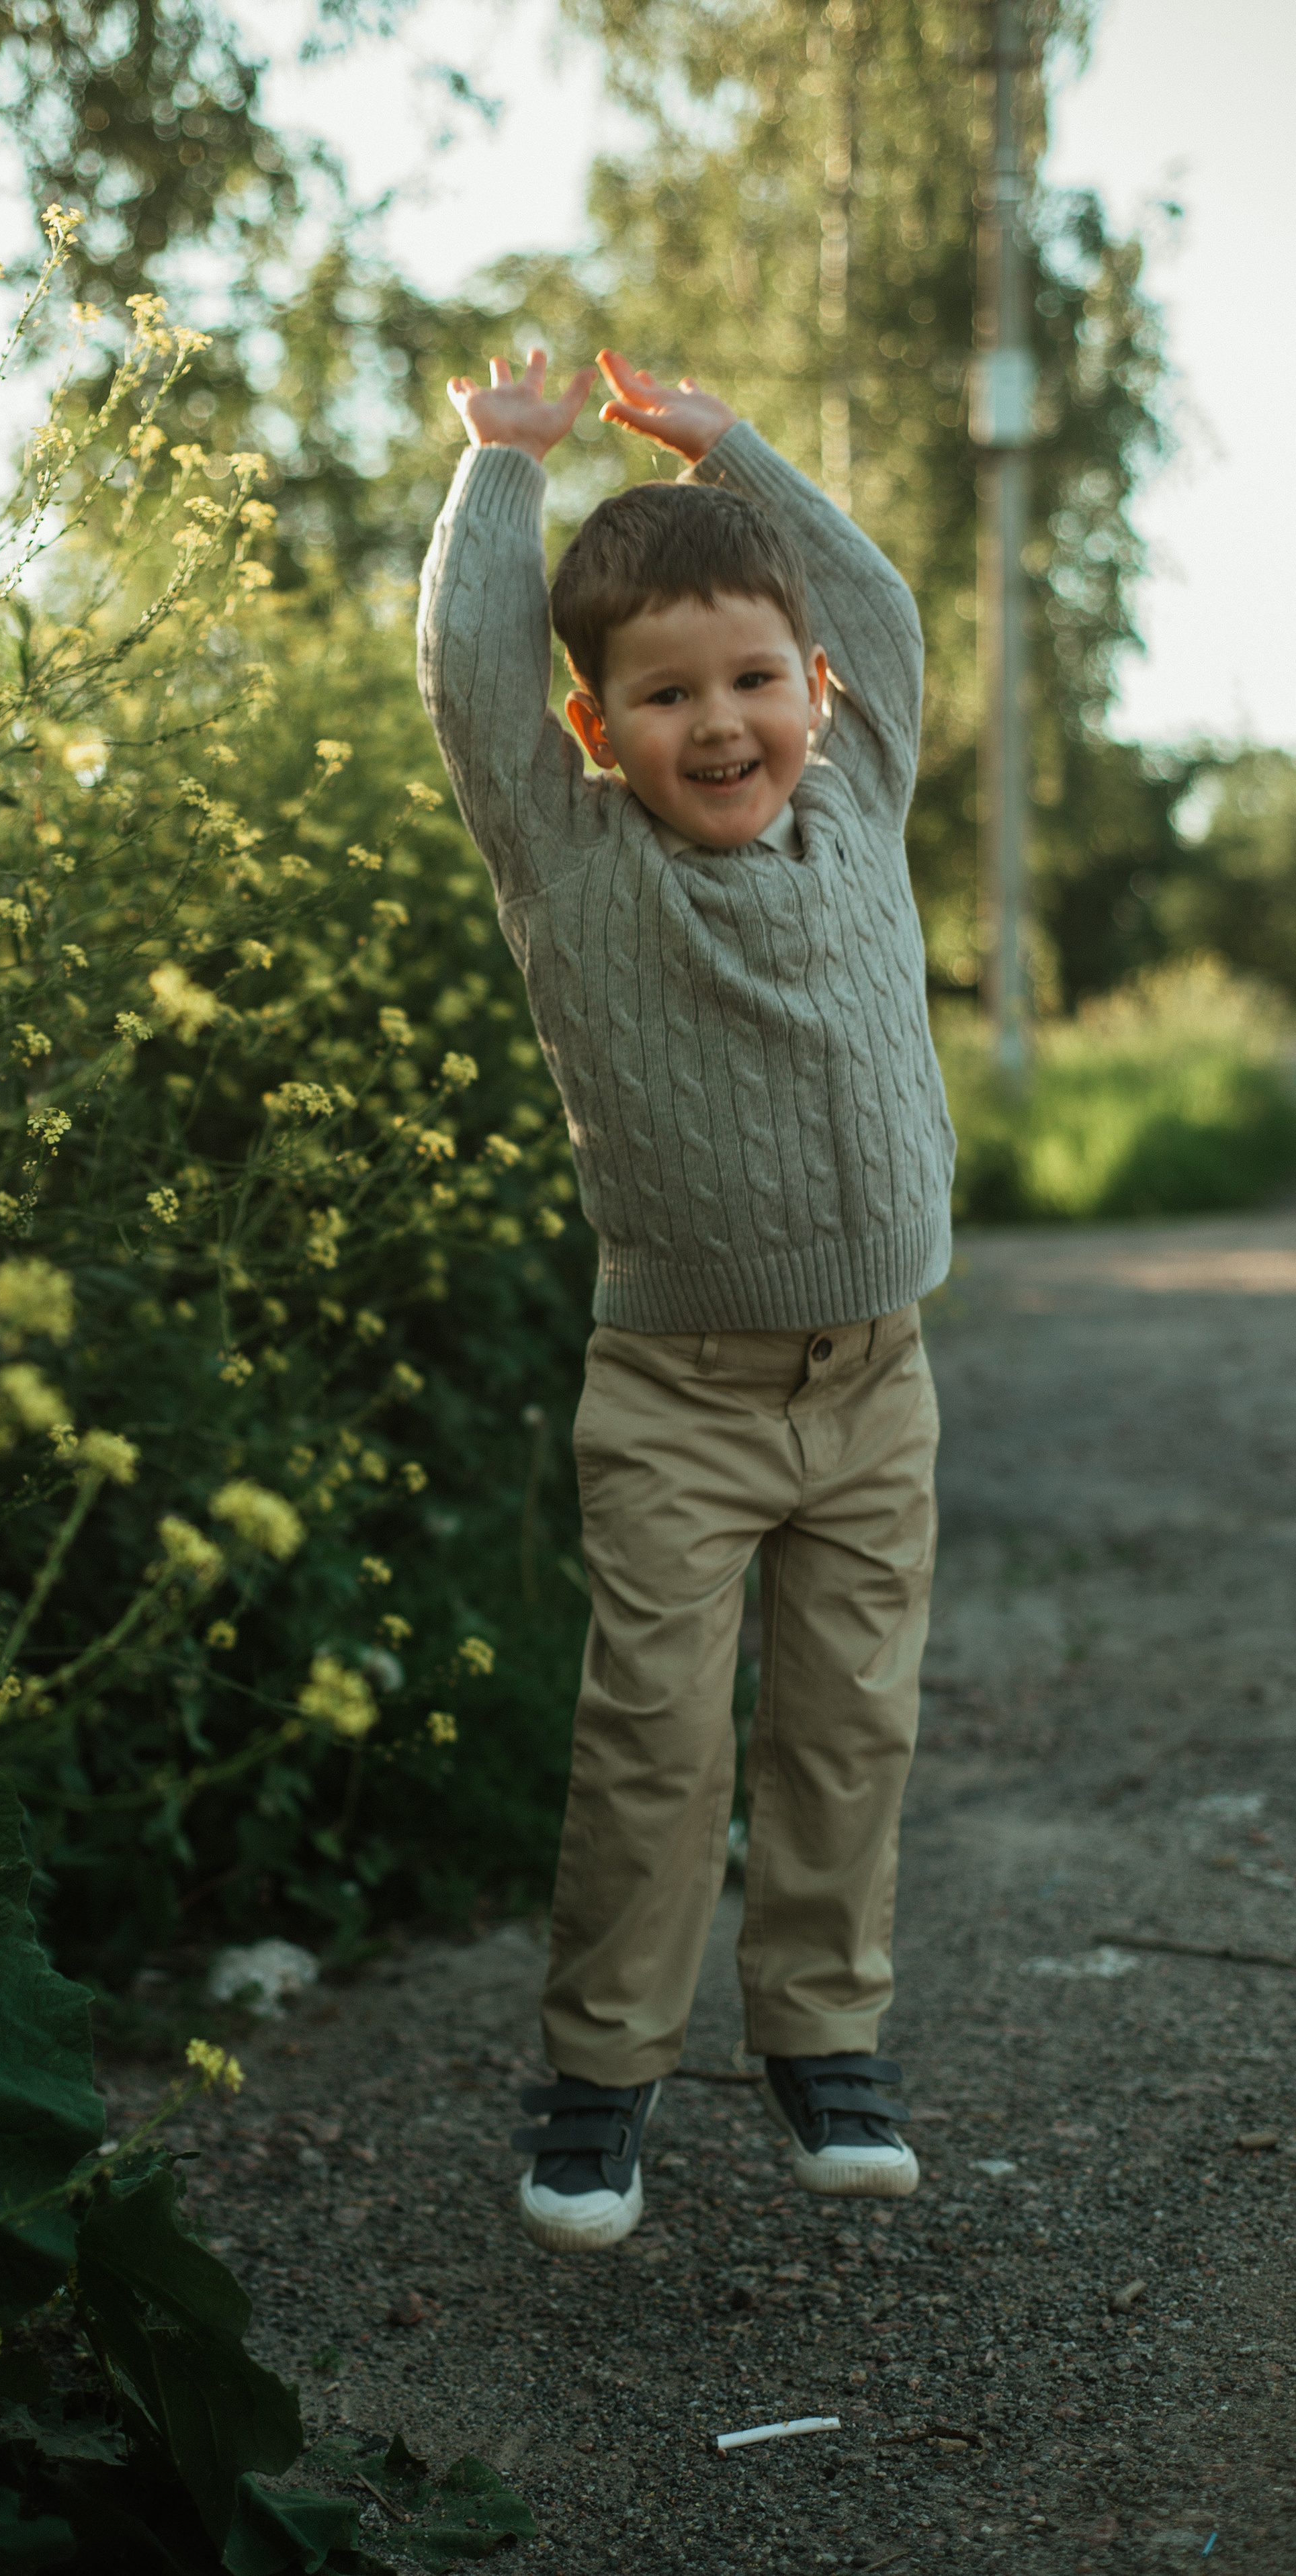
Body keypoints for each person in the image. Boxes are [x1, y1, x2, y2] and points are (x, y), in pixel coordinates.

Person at [417, 347, 953, 2252]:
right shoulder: (571, 858)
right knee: (660, 1735)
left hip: (876, 1383)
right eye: (665, 694)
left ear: (813, 697)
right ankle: (603, 2078)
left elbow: (876, 607)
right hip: (677, 1394)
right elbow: (468, 684)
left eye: (750, 681)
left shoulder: (861, 790)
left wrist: (728, 448)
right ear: (597, 723)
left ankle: (826, 2037)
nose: (718, 723)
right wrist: (504, 474)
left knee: (850, 1725)